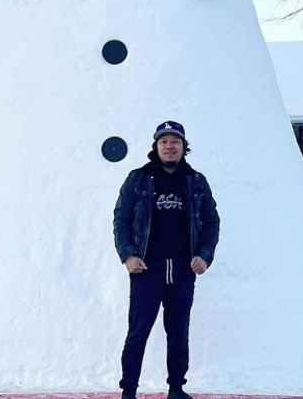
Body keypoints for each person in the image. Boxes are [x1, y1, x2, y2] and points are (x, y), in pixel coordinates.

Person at [113, 121, 220, 399]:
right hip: (147, 268)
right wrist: (128, 255)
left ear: (184, 146)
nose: (169, 146)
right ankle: (129, 392)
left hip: (183, 268)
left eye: (175, 142)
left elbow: (211, 222)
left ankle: (176, 389)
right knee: (138, 331)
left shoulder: (196, 181)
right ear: (156, 146)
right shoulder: (138, 179)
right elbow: (121, 219)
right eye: (164, 142)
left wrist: (204, 255)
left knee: (178, 331)